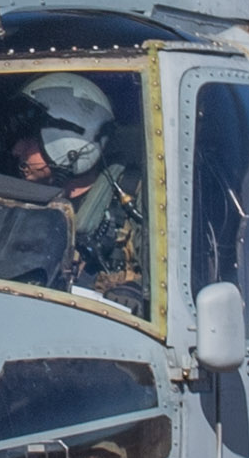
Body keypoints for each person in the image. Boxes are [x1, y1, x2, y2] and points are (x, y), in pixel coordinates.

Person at [11, 72, 150, 297]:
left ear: (69, 141)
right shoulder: (14, 196)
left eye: (29, 140)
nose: (16, 150)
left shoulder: (134, 199)